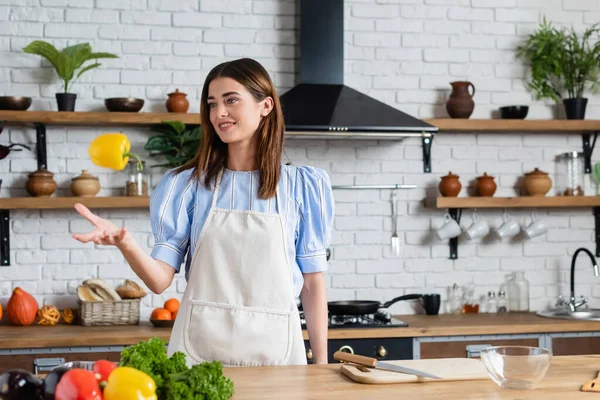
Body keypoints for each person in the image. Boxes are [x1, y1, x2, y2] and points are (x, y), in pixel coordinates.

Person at [72, 58, 334, 366]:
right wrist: (124, 242)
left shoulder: (301, 187)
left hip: (278, 356)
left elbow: (313, 284)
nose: (219, 113)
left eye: (230, 100)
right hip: (200, 354)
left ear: (265, 106)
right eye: (212, 104)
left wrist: (321, 365)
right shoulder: (187, 186)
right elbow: (159, 282)